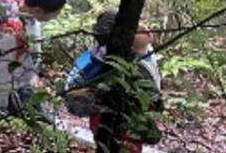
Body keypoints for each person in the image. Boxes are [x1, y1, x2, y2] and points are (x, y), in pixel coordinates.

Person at [64, 11, 163, 152]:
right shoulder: (122, 64)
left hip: (112, 117)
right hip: (120, 120)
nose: (147, 30)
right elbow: (147, 97)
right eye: (139, 29)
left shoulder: (137, 52)